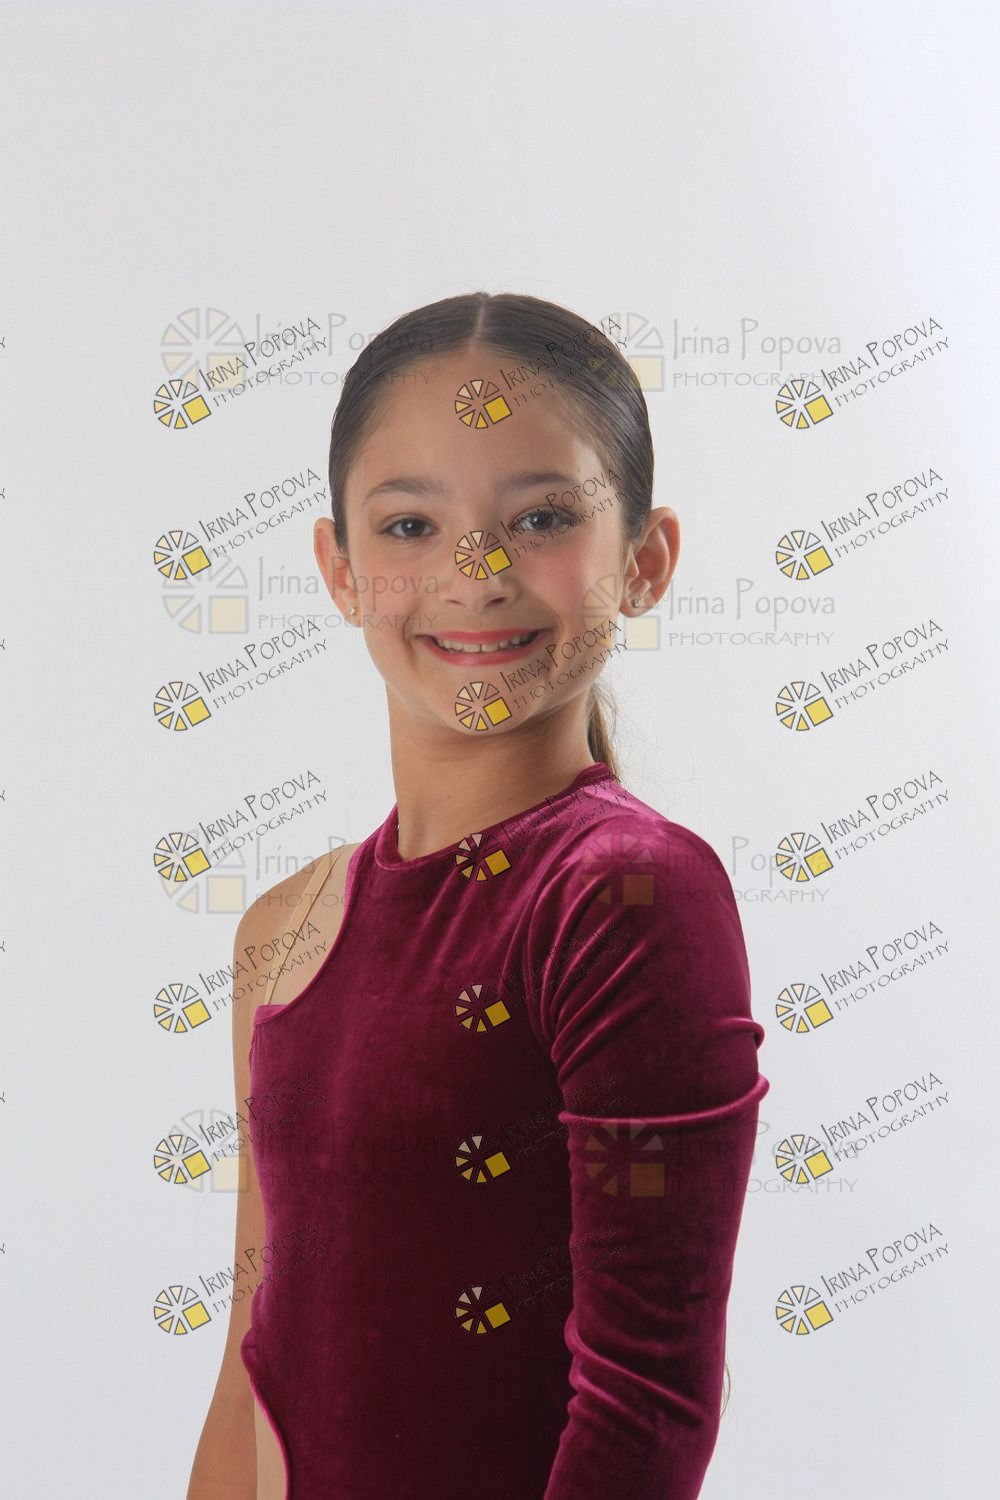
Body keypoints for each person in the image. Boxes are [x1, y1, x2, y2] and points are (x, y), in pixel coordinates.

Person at [187, 290, 770, 1500]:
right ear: (340, 569)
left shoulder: (626, 898)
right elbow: (253, 1360)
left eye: (541, 518)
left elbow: (647, 1407)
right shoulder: (283, 932)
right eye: (410, 526)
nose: (478, 573)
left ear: (646, 560)